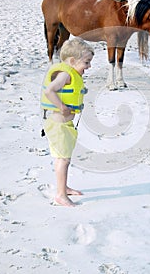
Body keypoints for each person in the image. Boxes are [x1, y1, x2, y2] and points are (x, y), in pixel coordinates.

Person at [41, 38, 94, 206]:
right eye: (86, 62)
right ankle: (60, 195)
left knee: (65, 158)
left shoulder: (70, 73)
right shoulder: (65, 74)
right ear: (72, 61)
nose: (89, 66)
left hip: (65, 126)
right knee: (62, 160)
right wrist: (61, 106)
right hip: (58, 125)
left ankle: (64, 187)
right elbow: (50, 91)